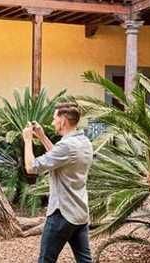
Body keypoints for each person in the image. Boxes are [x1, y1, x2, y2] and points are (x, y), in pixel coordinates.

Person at [22, 103, 93, 263]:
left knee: (46, 260)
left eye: (54, 118)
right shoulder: (84, 142)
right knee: (85, 260)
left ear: (62, 121)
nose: (53, 122)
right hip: (79, 213)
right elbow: (60, 157)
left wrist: (27, 140)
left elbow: (31, 167)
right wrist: (42, 137)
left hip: (62, 214)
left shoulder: (67, 145)